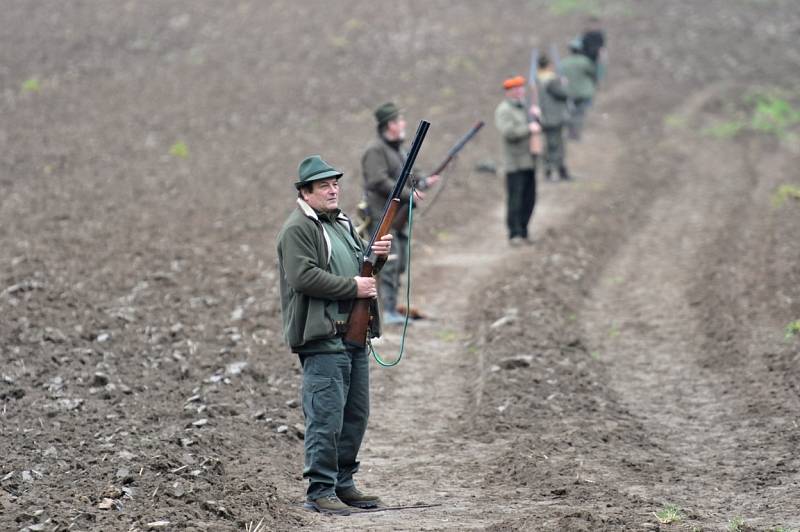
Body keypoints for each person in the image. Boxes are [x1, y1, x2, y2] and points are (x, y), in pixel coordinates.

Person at [276, 155, 393, 516]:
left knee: (355, 414)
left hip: (353, 335)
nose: (332, 190)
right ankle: (320, 490)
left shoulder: (340, 222)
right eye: (324, 185)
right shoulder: (299, 228)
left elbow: (360, 267)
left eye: (335, 184)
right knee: (325, 417)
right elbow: (303, 277)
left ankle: (343, 483)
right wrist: (353, 287)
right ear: (305, 192)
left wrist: (376, 258)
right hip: (322, 336)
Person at [361, 102, 439, 324]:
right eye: (399, 120)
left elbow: (408, 175)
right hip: (381, 215)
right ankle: (386, 312)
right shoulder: (375, 150)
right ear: (389, 125)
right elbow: (377, 180)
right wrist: (408, 195)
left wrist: (423, 182)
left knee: (400, 263)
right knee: (389, 263)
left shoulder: (398, 149)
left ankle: (392, 307)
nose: (403, 124)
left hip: (400, 216)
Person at [494, 75, 539, 246]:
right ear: (509, 92)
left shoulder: (525, 107)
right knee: (515, 199)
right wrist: (528, 128)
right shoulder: (504, 110)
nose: (520, 91)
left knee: (530, 199)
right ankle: (514, 233)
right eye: (516, 89)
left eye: (521, 88)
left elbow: (537, 127)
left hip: (529, 161)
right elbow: (509, 132)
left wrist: (536, 116)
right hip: (514, 164)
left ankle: (524, 230)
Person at [535, 55, 571, 181]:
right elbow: (563, 94)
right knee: (555, 145)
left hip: (544, 117)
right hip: (554, 117)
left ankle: (554, 170)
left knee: (551, 144)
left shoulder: (537, 79)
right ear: (548, 65)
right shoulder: (551, 80)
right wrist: (564, 84)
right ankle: (554, 171)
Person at [560, 37, 597, 140]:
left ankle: (571, 133)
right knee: (579, 114)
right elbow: (593, 74)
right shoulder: (585, 61)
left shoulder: (564, 62)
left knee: (571, 113)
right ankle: (576, 134)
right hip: (583, 93)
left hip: (569, 93)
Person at [581, 15, 607, 82]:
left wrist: (602, 56)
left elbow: (602, 47)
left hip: (596, 57)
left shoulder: (599, 34)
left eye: (594, 24)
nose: (592, 26)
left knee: (597, 73)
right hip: (587, 57)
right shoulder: (586, 35)